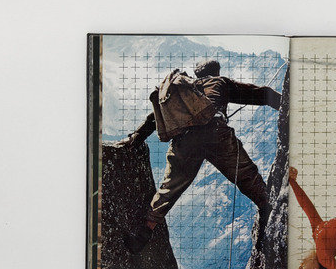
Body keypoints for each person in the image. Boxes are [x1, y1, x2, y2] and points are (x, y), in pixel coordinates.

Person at [120, 59, 282, 254]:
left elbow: (154, 117)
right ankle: (265, 220)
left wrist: (136, 138)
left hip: (185, 141)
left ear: (196, 75)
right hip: (217, 134)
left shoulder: (184, 90)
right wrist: (286, 103)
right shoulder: (219, 82)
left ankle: (143, 234)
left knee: (169, 188)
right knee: (247, 175)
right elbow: (260, 94)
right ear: (216, 72)